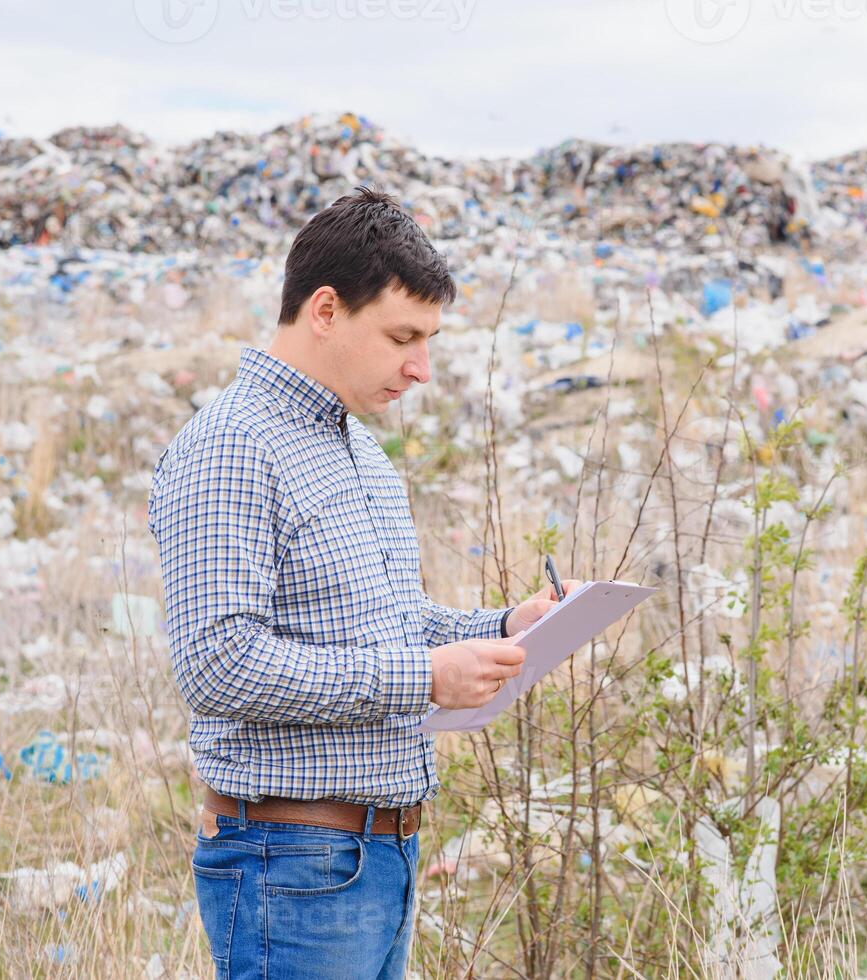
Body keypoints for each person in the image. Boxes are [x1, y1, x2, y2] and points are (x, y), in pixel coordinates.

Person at [147, 186, 579, 979]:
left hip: (380, 855)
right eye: (402, 337)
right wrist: (425, 677)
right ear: (324, 311)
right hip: (292, 863)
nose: (420, 368)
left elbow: (387, 622)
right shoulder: (232, 448)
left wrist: (502, 627)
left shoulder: (359, 449)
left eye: (430, 340)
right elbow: (218, 665)